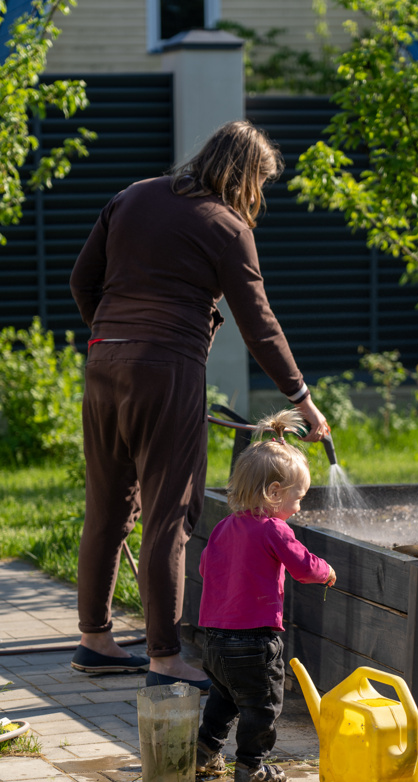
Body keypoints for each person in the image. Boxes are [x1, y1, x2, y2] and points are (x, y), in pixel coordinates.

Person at [68, 120, 331, 691]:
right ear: (244, 175)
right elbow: (259, 325)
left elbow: (81, 279)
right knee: (170, 515)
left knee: (107, 507)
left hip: (103, 363)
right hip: (168, 371)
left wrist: (116, 337)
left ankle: (95, 641)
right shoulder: (226, 226)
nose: (259, 193)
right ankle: (165, 659)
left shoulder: (131, 196)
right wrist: (301, 399)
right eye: (260, 180)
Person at [196, 408, 336, 782]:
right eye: (298, 497)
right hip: (255, 640)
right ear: (274, 493)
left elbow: (206, 569)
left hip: (212, 638)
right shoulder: (274, 529)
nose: (299, 506)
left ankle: (204, 752)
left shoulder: (224, 527)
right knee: (263, 705)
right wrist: (326, 571)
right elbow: (304, 567)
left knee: (224, 698)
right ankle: (250, 768)